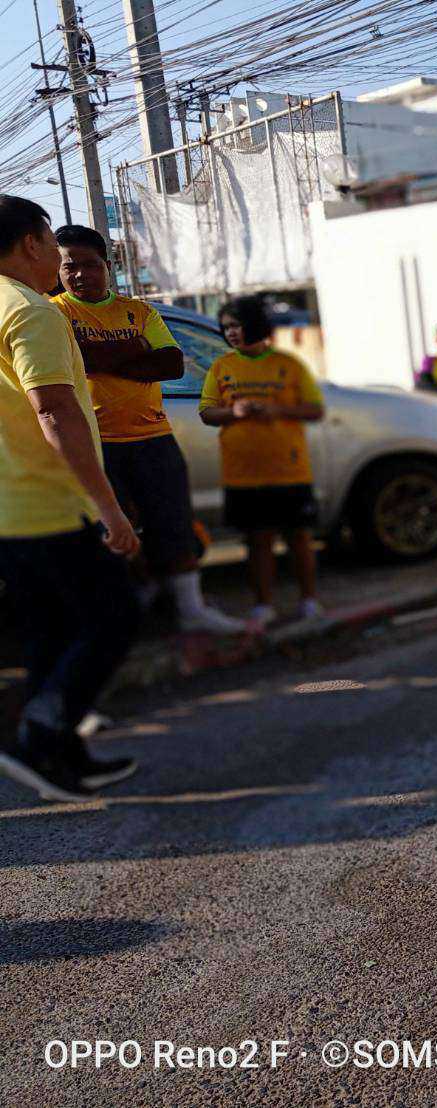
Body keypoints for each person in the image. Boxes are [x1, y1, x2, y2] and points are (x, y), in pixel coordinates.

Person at [0, 196, 142, 803]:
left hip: (10, 507)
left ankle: (58, 756)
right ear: (31, 243)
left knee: (51, 634)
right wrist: (109, 507)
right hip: (51, 503)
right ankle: (39, 735)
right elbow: (54, 410)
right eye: (52, 243)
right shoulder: (31, 310)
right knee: (115, 619)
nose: (58, 259)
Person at [51, 224, 245, 635]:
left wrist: (100, 358)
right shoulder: (55, 313)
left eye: (90, 264)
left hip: (153, 437)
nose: (80, 274)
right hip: (96, 444)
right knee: (113, 533)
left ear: (108, 265)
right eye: (70, 266)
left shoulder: (140, 312)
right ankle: (127, 613)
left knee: (173, 524)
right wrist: (135, 350)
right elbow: (76, 361)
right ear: (58, 269)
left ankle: (191, 610)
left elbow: (171, 365)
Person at [199, 296, 325, 626]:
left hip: (290, 472)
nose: (230, 333)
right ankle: (264, 606)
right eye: (225, 327)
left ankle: (309, 601)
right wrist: (234, 412)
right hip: (242, 475)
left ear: (256, 324)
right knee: (257, 541)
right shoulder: (221, 367)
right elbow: (207, 413)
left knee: (299, 539)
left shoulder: (289, 364)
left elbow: (315, 409)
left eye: (236, 325)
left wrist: (276, 410)